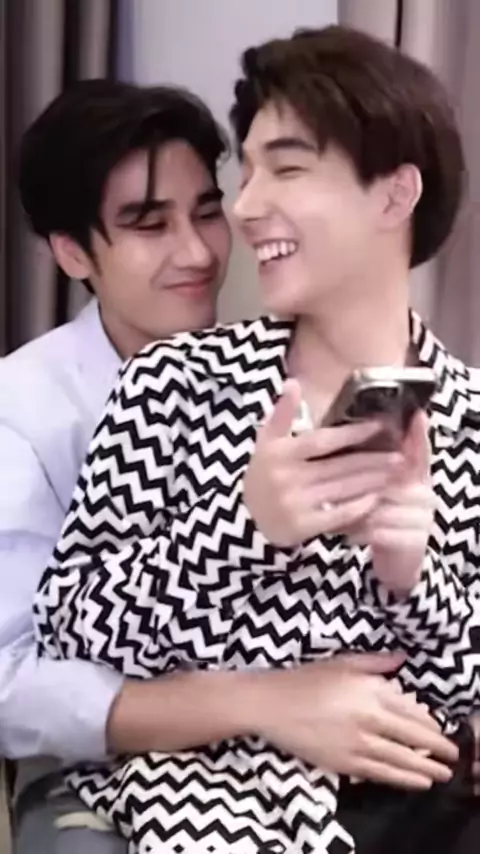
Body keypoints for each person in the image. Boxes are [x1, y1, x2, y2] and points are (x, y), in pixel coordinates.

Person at [32, 26, 480, 854]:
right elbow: (73, 628)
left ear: (394, 196)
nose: (242, 207)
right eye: (248, 169)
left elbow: (459, 695)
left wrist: (413, 575)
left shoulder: (470, 418)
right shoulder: (175, 382)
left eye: (288, 167)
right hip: (208, 803)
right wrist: (242, 531)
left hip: (418, 805)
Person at [0, 78, 232, 854]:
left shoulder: (273, 372)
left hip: (290, 749)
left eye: (207, 212)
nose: (197, 252)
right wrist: (252, 704)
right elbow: (9, 681)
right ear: (72, 251)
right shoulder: (22, 411)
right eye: (148, 224)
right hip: (94, 768)